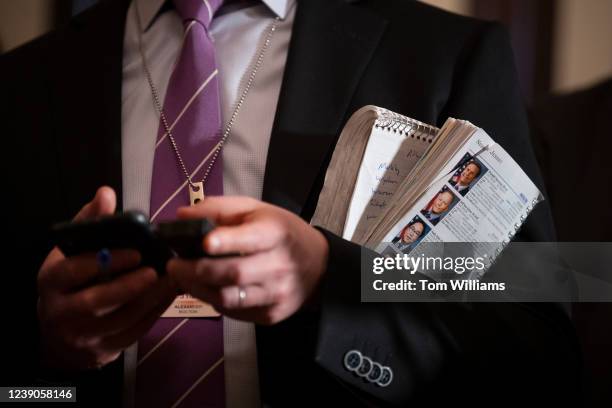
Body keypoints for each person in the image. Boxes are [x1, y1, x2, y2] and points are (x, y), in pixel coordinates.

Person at [0, 0, 580, 406]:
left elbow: (541, 349)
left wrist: (326, 277)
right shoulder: (24, 79)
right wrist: (44, 354)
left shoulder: (447, 55)